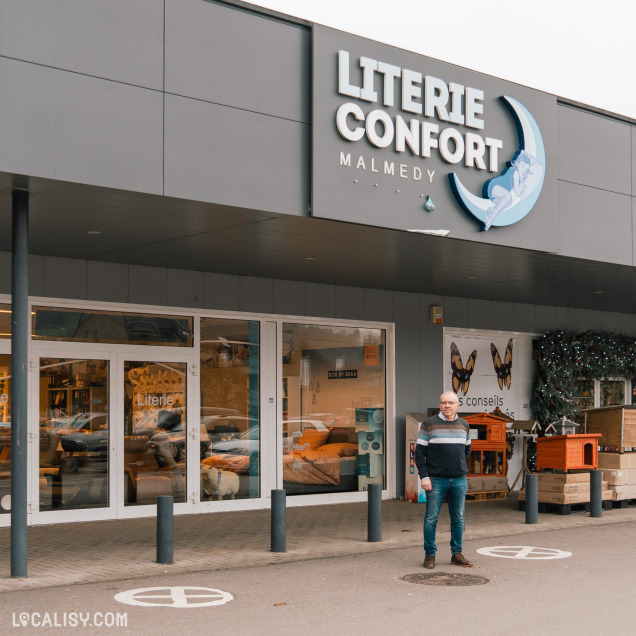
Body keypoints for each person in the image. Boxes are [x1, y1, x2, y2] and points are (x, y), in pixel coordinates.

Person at [415, 390, 473, 569]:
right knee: (431, 519)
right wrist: (424, 476)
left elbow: (466, 451)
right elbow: (419, 453)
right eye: (443, 403)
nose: (447, 406)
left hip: (459, 480)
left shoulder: (464, 425)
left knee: (458, 519)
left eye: (450, 402)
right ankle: (430, 555)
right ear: (439, 405)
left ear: (458, 406)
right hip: (436, 480)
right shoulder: (429, 424)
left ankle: (456, 554)